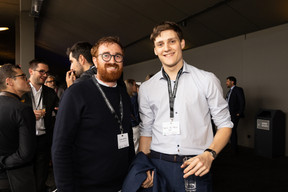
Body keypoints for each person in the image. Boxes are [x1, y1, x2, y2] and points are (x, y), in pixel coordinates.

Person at [138, 21, 233, 191]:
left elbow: (225, 124)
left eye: (172, 41)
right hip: (158, 165)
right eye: (160, 44)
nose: (166, 48)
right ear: (155, 50)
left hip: (195, 164)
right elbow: (146, 131)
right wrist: (143, 165)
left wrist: (209, 155)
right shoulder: (146, 88)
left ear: (182, 43)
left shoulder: (206, 80)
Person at [52, 36, 135, 192]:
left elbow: (128, 135)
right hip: (86, 186)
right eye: (106, 56)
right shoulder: (76, 93)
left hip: (122, 184)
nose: (112, 60)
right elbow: (60, 148)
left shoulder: (123, 93)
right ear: (95, 61)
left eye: (118, 56)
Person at [22, 59, 59, 192]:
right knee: (27, 169)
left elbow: (58, 109)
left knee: (42, 169)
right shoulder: (21, 90)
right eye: (41, 71)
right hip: (26, 137)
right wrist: (30, 114)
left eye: (46, 72)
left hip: (44, 137)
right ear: (31, 71)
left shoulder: (50, 93)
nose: (45, 75)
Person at [0, 64, 36, 192]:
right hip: (14, 181)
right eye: (23, 76)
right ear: (9, 81)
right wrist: (2, 162)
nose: (27, 80)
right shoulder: (22, 109)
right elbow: (25, 154)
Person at [226, 76, 245, 154]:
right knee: (230, 131)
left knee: (232, 131)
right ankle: (232, 148)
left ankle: (234, 150)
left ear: (232, 82)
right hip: (228, 115)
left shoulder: (238, 90)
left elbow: (242, 101)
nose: (226, 83)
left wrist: (239, 113)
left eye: (227, 81)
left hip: (234, 115)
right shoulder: (229, 92)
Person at [124, 79, 141, 152]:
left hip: (127, 126)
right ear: (131, 86)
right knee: (136, 147)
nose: (136, 86)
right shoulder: (134, 97)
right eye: (134, 85)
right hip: (135, 126)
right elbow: (136, 113)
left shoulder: (124, 97)